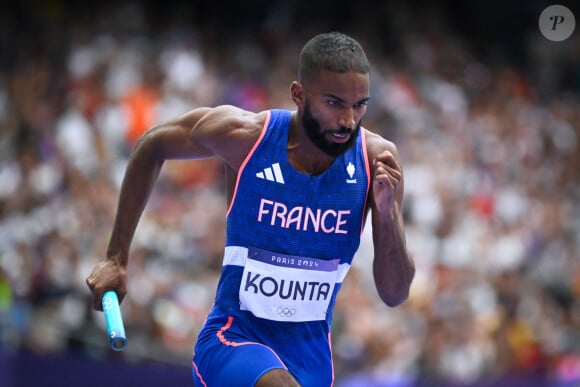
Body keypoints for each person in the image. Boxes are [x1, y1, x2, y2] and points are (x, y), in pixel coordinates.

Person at [86, 31, 415, 387]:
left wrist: (387, 214)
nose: (349, 120)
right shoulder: (247, 136)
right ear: (299, 95)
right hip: (233, 341)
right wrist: (116, 257)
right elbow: (153, 144)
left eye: (360, 105)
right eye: (334, 103)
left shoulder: (376, 161)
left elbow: (394, 293)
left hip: (311, 361)